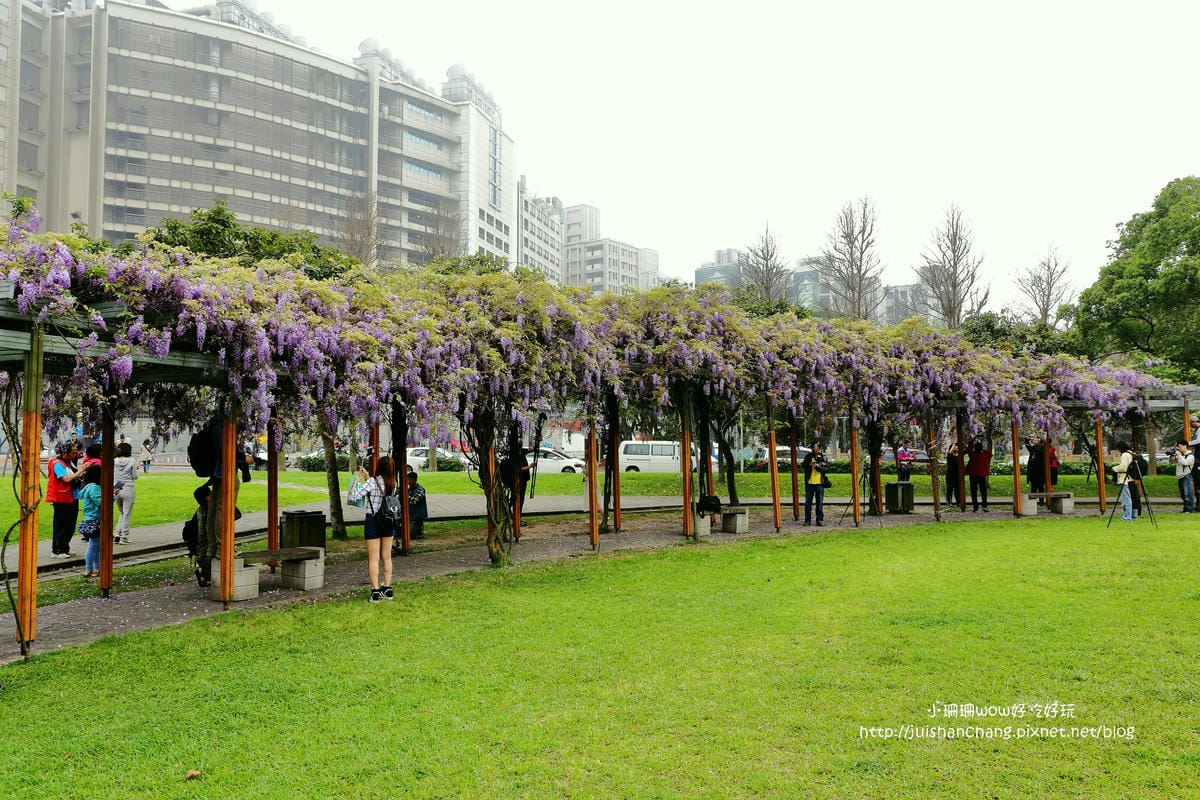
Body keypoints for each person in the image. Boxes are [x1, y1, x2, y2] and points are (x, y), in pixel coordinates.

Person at [349, 455, 398, 602]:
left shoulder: (372, 482)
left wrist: (356, 482)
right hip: (388, 520)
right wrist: (368, 476)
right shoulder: (393, 484)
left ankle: (375, 591)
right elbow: (380, 489)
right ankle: (387, 589)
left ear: (379, 467)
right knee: (387, 557)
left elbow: (354, 496)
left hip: (373, 521)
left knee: (373, 558)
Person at [47, 441, 86, 558]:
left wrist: (81, 474)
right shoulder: (57, 464)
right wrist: (80, 471)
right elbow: (66, 479)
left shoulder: (68, 463)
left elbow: (73, 477)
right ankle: (58, 550)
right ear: (64, 453)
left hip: (72, 497)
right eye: (73, 453)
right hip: (62, 499)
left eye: (76, 452)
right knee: (61, 524)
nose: (75, 455)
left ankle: (64, 548)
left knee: (70, 525)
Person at [77, 464, 105, 577]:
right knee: (94, 545)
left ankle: (96, 568)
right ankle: (89, 568)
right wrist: (113, 495)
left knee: (96, 545)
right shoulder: (94, 488)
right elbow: (101, 502)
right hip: (94, 520)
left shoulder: (88, 486)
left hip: (90, 519)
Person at [801, 441, 828, 526]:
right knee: (808, 502)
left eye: (816, 448)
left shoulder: (823, 457)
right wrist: (810, 465)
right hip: (810, 483)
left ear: (819, 449)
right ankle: (807, 520)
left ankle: (819, 519)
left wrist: (818, 467)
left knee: (819, 502)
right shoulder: (808, 456)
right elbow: (803, 466)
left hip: (819, 483)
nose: (814, 449)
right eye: (813, 448)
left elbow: (827, 469)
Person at [966, 439, 992, 512]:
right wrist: (983, 450)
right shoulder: (984, 455)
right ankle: (984, 506)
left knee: (973, 491)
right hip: (982, 475)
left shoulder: (972, 454)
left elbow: (969, 448)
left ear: (974, 448)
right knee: (983, 492)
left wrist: (973, 439)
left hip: (973, 475)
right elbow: (990, 454)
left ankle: (975, 507)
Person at [1113, 442, 1137, 521]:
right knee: (1132, 497)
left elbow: (1123, 467)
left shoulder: (1124, 455)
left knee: (1126, 498)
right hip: (1131, 478)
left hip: (1124, 479)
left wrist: (1115, 468)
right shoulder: (1131, 454)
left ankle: (1127, 516)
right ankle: (1134, 515)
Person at [1171, 440, 1194, 513]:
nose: (1178, 448)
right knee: (1183, 494)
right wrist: (1172, 455)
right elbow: (1171, 462)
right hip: (1180, 477)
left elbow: (1186, 463)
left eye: (1179, 446)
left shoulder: (1190, 456)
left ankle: (1189, 509)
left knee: (1188, 494)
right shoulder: (1181, 455)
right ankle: (1185, 509)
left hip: (1186, 476)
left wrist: (1179, 456)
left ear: (1185, 446)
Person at [408, 471, 428, 540]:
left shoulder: (420, 490)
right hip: (410, 515)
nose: (408, 482)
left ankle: (419, 531)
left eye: (409, 480)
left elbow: (414, 501)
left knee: (410, 534)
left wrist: (404, 496)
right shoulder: (409, 489)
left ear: (414, 479)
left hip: (417, 516)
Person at [945, 441, 962, 506]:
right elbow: (950, 452)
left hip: (957, 475)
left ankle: (958, 502)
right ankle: (949, 501)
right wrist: (954, 444)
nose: (956, 449)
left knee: (957, 489)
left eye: (957, 448)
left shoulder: (960, 456)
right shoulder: (950, 455)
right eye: (955, 448)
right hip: (950, 474)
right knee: (950, 488)